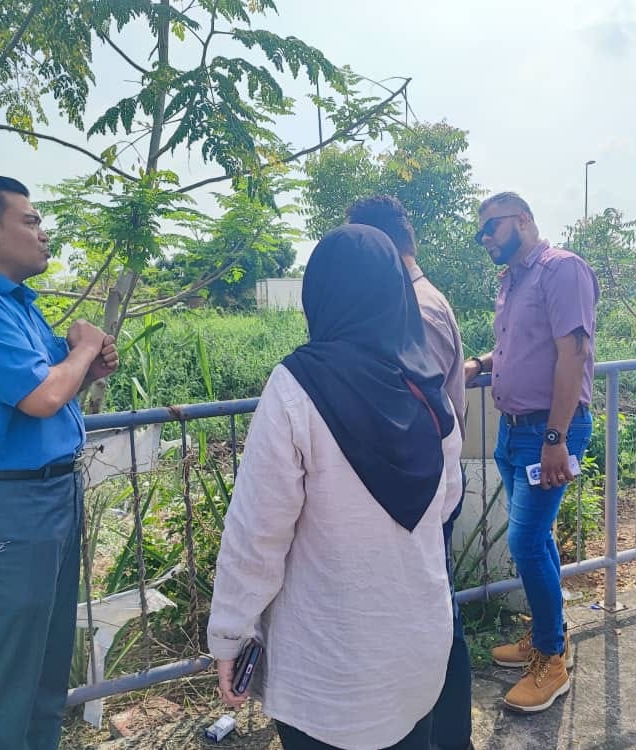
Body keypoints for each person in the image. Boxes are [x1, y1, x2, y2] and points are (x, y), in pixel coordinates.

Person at [207, 224, 462, 750]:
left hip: (327, 673)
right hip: (418, 651)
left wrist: (230, 634)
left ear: (318, 294)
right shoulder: (426, 385)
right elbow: (447, 502)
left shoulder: (296, 386)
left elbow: (257, 534)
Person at [0, 176, 119, 749]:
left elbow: (48, 397)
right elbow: (40, 397)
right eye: (29, 221)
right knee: (11, 677)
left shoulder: (16, 307)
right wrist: (82, 348)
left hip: (43, 497)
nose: (42, 233)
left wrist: (87, 368)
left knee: (44, 668)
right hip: (3, 503)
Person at [346, 196, 472, 750]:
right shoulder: (410, 301)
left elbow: (410, 410)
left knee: (435, 618)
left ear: (379, 248)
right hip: (419, 487)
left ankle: (448, 737)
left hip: (420, 490)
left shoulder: (416, 309)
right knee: (431, 611)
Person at [465, 192, 598, 713]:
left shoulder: (562, 270)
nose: (485, 239)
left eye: (491, 228)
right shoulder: (513, 280)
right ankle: (547, 633)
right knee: (535, 539)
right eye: (481, 233)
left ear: (522, 219)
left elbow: (574, 353)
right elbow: (520, 350)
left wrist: (555, 439)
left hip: (548, 431)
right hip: (514, 431)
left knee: (522, 540)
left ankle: (553, 659)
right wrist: (480, 363)